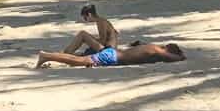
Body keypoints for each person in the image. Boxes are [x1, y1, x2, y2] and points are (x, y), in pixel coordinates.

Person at [35, 42, 185, 69]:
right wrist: (180, 56)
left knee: (77, 61)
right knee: (76, 61)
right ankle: (46, 56)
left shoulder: (152, 46)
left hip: (113, 53)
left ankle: (47, 56)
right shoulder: (159, 52)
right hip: (112, 57)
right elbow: (177, 59)